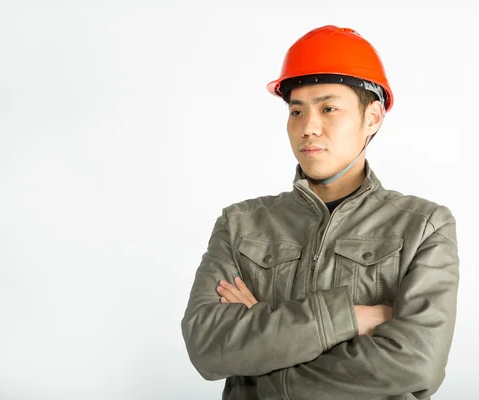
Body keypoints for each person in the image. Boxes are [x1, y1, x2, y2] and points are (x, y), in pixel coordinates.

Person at [181, 25, 459, 400]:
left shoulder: (423, 227)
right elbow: (208, 347)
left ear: (373, 117)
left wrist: (266, 365)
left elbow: (416, 363)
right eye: (297, 111)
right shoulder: (240, 225)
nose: (308, 127)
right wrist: (353, 318)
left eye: (328, 108)